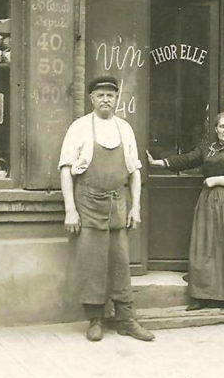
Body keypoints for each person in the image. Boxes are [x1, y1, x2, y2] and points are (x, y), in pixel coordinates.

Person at [58, 75, 155, 342]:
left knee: (120, 261)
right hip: (88, 203)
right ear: (91, 99)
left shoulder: (125, 128)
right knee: (92, 261)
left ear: (116, 99)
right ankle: (95, 318)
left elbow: (135, 171)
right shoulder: (79, 128)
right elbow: (66, 169)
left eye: (110, 95)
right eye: (100, 95)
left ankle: (125, 319)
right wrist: (70, 209)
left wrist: (136, 207)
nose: (105, 100)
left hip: (118, 203)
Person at [147, 111, 224, 315]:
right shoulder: (208, 148)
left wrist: (216, 180)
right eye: (222, 126)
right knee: (206, 247)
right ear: (215, 129)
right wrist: (159, 163)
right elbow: (187, 159)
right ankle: (202, 296)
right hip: (209, 204)